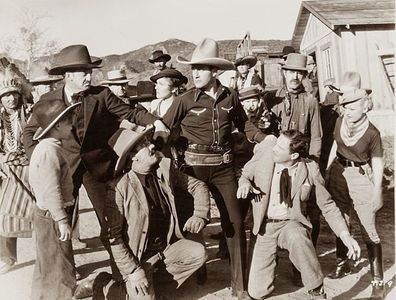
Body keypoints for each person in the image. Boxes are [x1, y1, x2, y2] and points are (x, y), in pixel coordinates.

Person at [23, 44, 168, 276]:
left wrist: (157, 121)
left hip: (98, 169)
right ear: (68, 75)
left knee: (112, 221)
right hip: (63, 169)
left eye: (90, 71)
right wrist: (39, 162)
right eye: (84, 72)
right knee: (60, 222)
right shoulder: (48, 100)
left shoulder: (101, 95)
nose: (90, 76)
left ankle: (123, 273)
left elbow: (130, 113)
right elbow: (29, 134)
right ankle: (66, 276)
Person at [162, 38, 260, 299]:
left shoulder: (230, 96)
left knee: (236, 223)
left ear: (214, 71)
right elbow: (164, 128)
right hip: (192, 170)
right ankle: (199, 266)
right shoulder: (184, 100)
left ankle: (239, 286)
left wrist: (264, 139)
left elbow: (245, 124)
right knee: (193, 222)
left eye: (201, 68)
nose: (194, 73)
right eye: (193, 68)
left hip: (224, 169)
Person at [74, 127, 208, 299]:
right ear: (132, 156)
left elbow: (198, 186)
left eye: (148, 141)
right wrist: (133, 271)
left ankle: (150, 286)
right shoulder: (118, 188)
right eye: (143, 145)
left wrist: (200, 214)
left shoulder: (164, 169)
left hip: (163, 250)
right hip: (137, 258)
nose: (151, 145)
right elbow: (111, 236)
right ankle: (103, 284)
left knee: (198, 253)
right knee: (144, 297)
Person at [237, 130, 361, 300]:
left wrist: (345, 235)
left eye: (280, 147)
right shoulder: (266, 152)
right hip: (265, 226)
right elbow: (244, 174)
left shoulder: (310, 168)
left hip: (291, 223)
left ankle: (316, 289)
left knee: (298, 237)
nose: (275, 148)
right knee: (257, 292)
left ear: (294, 155)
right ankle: (269, 268)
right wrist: (244, 184)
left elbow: (327, 205)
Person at [326, 72, 386, 298]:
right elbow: (335, 144)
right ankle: (343, 263)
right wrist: (329, 168)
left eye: (351, 108)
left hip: (361, 177)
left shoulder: (372, 133)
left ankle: (378, 281)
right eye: (345, 108)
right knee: (341, 219)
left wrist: (377, 189)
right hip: (339, 173)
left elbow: (378, 163)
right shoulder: (341, 121)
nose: (346, 111)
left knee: (368, 228)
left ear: (364, 108)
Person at [28, 100, 81, 300]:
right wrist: (62, 220)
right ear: (57, 125)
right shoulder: (50, 152)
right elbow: (51, 189)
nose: (72, 126)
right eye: (68, 122)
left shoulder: (46, 148)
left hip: (45, 214)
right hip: (51, 216)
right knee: (60, 267)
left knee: (46, 264)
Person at [0, 68, 35, 275]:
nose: (10, 99)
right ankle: (7, 257)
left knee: (45, 215)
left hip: (34, 169)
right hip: (9, 172)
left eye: (13, 94)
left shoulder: (31, 114)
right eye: (5, 96)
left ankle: (57, 262)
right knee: (4, 213)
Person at [319, 78, 339, 174]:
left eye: (326, 87)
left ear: (330, 87)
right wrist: (321, 104)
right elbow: (325, 102)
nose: (326, 89)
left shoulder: (335, 94)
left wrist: (329, 106)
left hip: (333, 112)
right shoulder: (328, 94)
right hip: (327, 111)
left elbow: (336, 104)